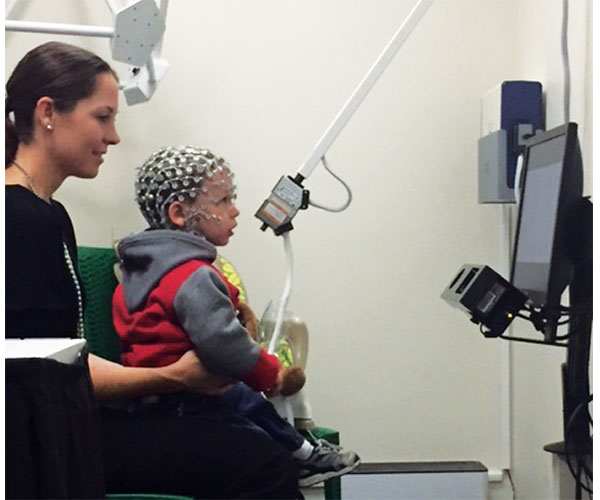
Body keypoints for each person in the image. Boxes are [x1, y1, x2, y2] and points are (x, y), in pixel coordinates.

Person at [5, 41, 301, 499]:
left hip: (65, 420)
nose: (114, 137)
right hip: (35, 441)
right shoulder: (19, 219)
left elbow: (64, 357)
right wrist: (173, 377)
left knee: (252, 446)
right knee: (262, 464)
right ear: (48, 112)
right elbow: (35, 373)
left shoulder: (48, 214)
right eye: (102, 117)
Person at [112, 144, 361, 487]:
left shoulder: (139, 272)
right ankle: (303, 456)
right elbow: (223, 342)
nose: (236, 211)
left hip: (151, 404)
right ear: (179, 213)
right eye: (223, 201)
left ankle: (298, 454)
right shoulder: (192, 275)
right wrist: (268, 374)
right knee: (251, 409)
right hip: (192, 399)